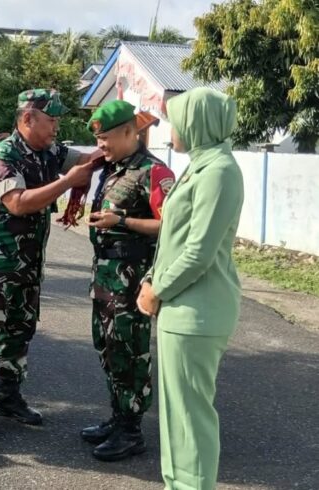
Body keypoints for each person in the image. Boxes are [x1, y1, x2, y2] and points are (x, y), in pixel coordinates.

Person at [0, 89, 99, 440]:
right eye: (51, 120)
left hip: (28, 263)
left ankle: (8, 396)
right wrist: (67, 182)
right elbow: (17, 203)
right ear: (28, 118)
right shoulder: (4, 155)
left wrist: (122, 137)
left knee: (19, 328)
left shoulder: (51, 151)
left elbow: (87, 159)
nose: (56, 126)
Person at [137, 87, 244, 490]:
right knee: (176, 416)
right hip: (182, 305)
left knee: (190, 417)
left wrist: (157, 290)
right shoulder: (202, 166)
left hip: (197, 309)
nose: (170, 131)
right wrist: (151, 279)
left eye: (176, 121)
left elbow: (199, 252)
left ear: (197, 123)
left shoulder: (219, 171)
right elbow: (174, 238)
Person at [80, 100, 175, 462]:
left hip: (132, 279)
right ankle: (118, 416)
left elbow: (171, 225)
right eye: (98, 139)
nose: (100, 145)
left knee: (130, 351)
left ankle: (131, 431)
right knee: (108, 347)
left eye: (105, 138)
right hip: (105, 275)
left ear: (128, 132)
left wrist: (122, 222)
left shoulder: (153, 171)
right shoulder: (114, 169)